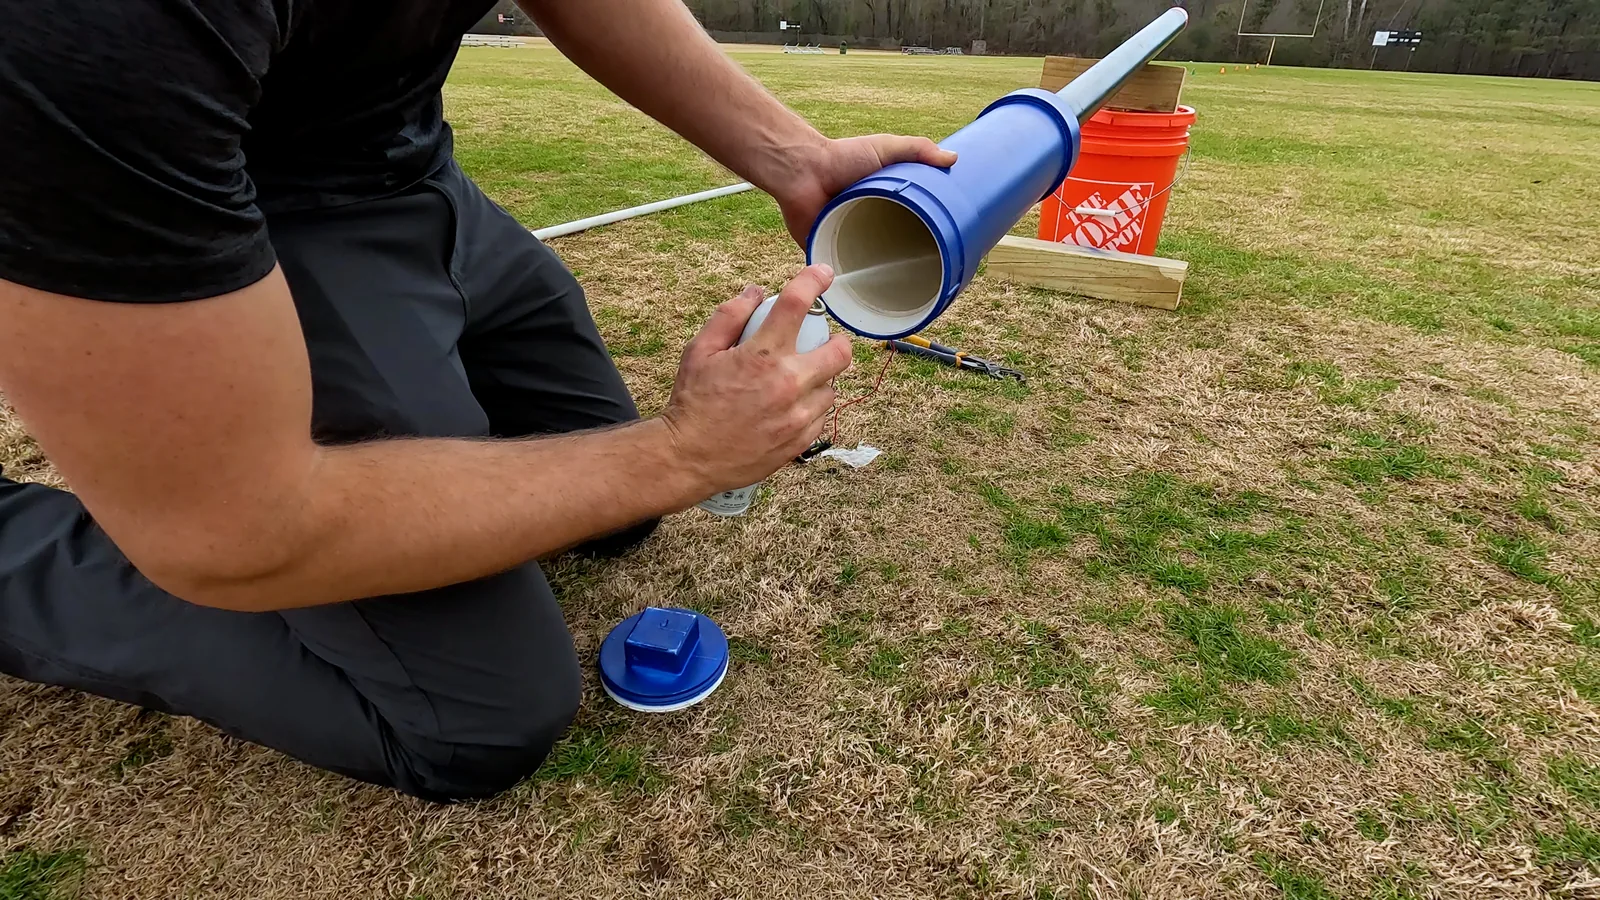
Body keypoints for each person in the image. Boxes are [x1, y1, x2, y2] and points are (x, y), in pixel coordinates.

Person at [0, 0, 955, 802]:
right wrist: (682, 454)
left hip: (417, 176)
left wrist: (793, 157)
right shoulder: (97, 29)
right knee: (476, 717)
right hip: (245, 224)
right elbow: (236, 526)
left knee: (615, 516)